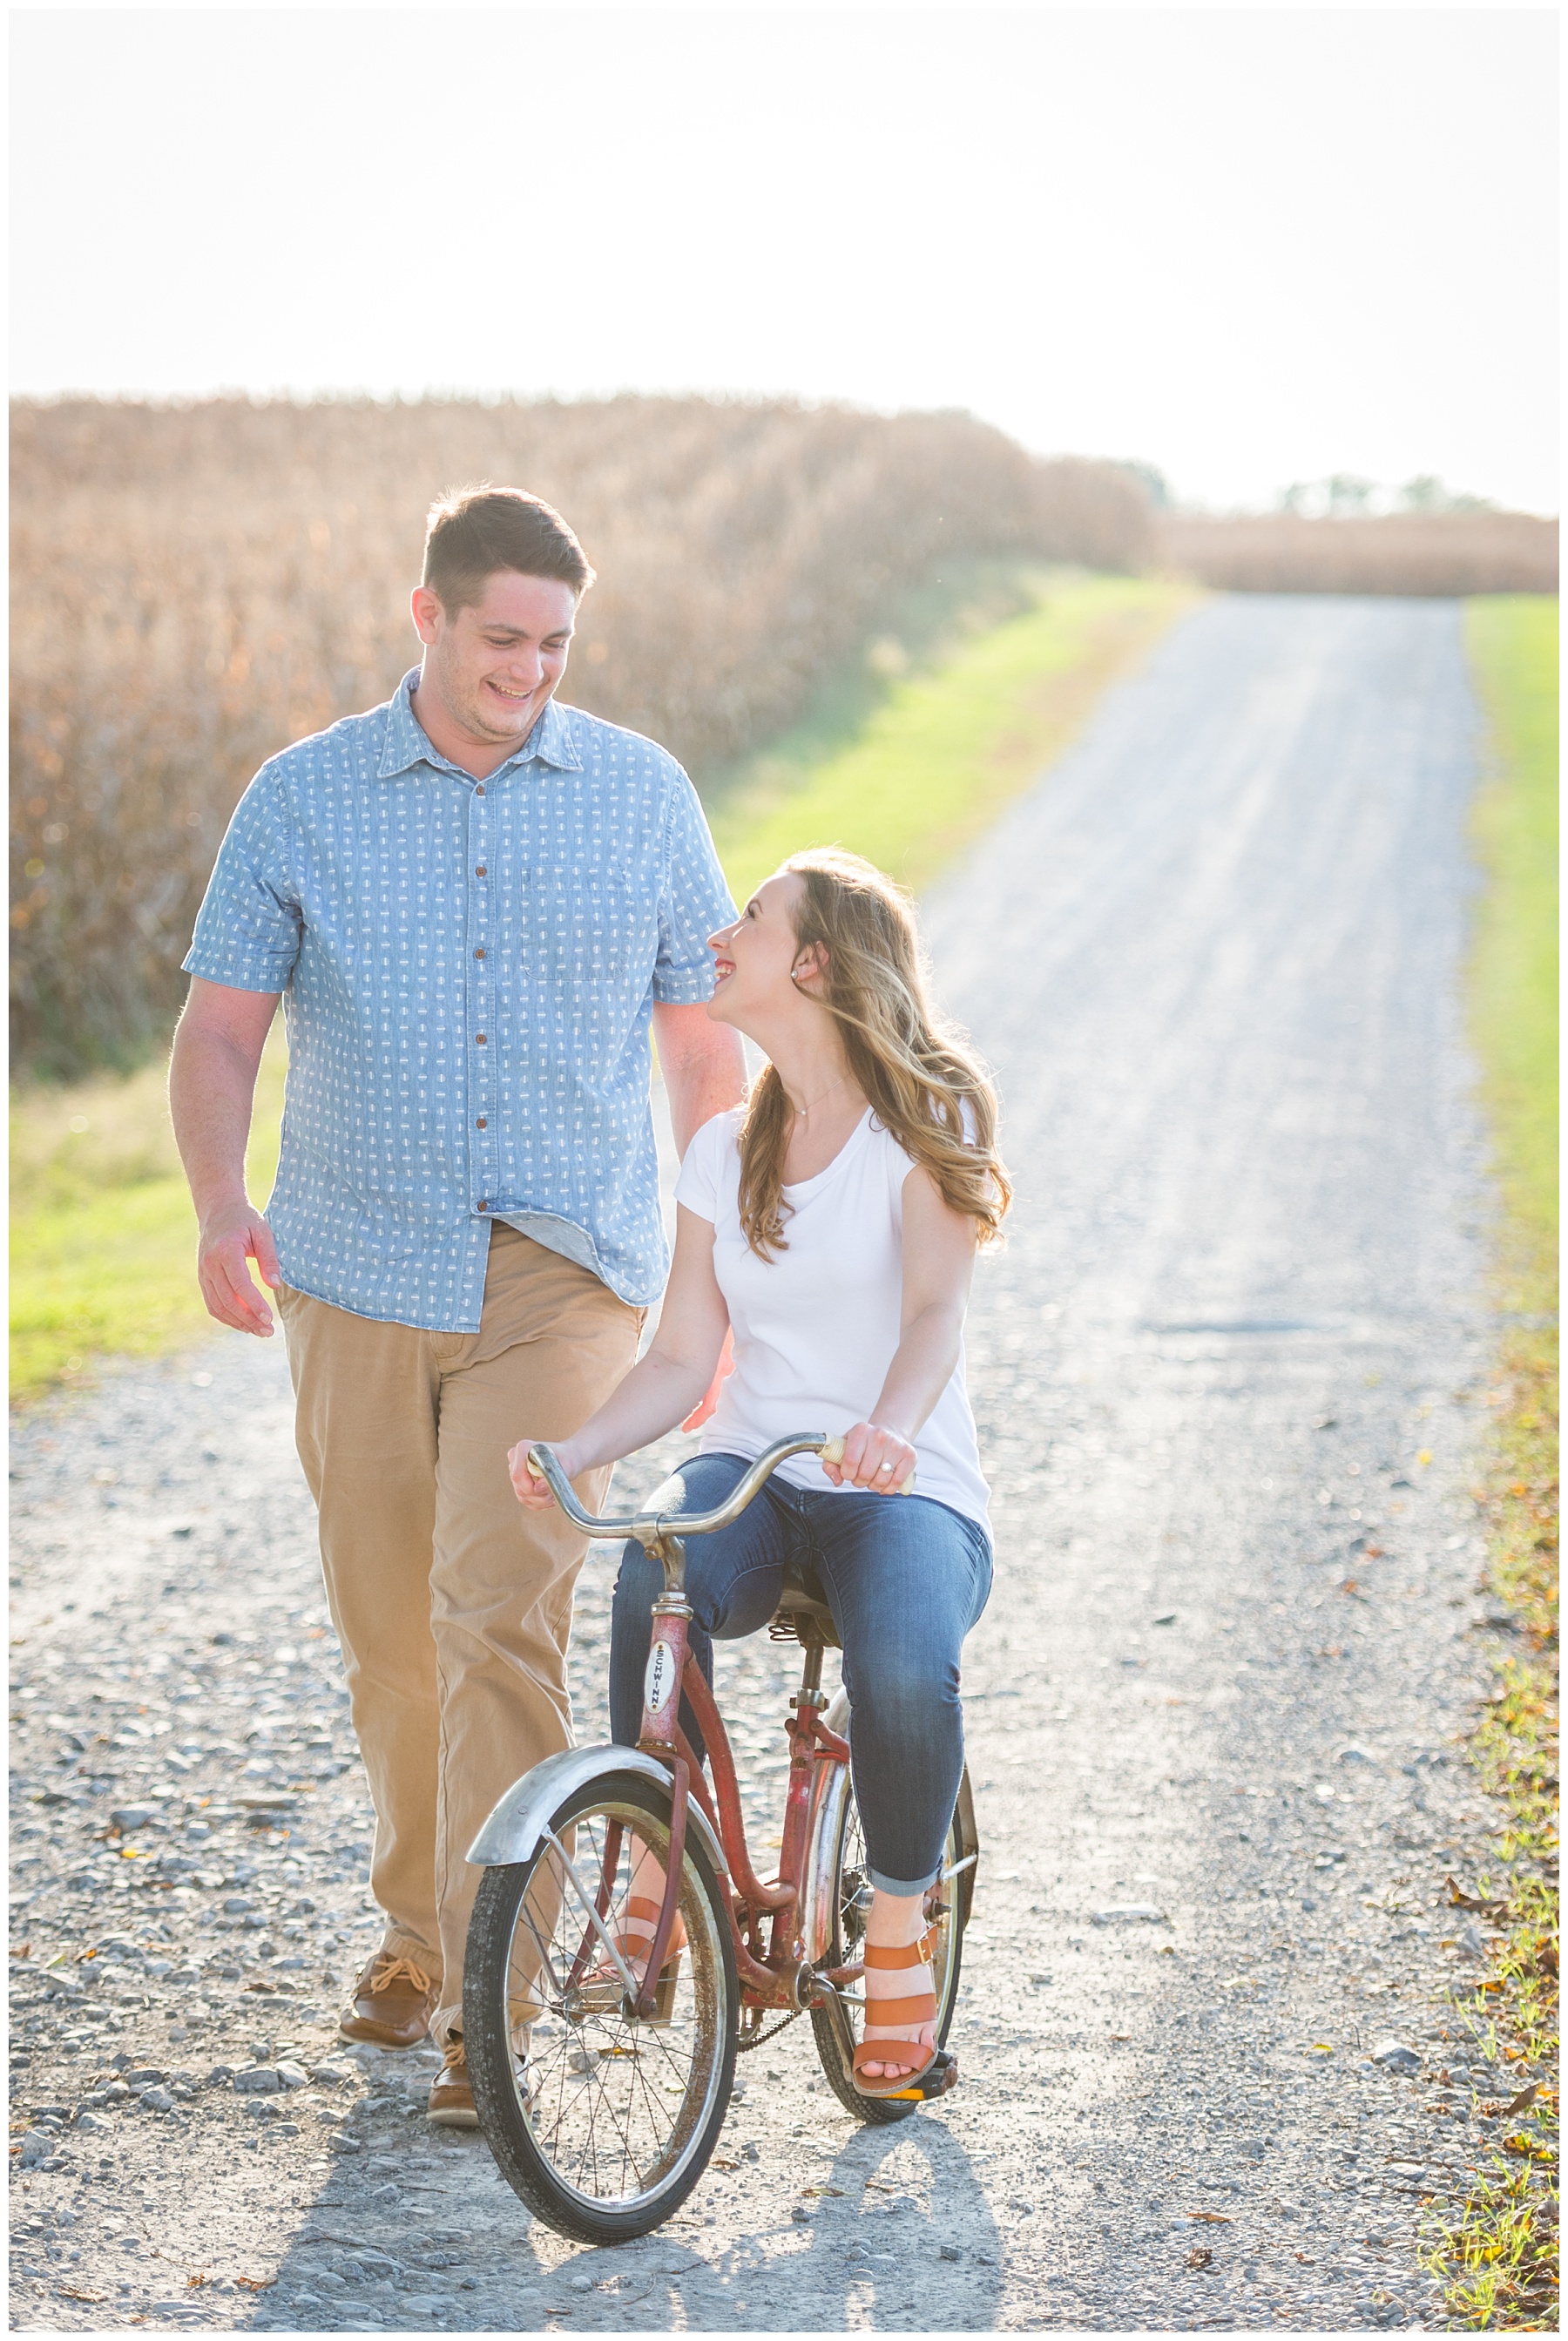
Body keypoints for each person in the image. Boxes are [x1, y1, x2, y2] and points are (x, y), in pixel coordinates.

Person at [170, 486, 743, 2123]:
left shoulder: (641, 794)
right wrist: (225, 1205)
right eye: (503, 639)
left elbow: (704, 1044)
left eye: (556, 645)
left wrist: (719, 1262)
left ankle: (494, 1996)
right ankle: (419, 1940)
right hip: (353, 1270)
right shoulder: (303, 798)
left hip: (566, 1277)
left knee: (499, 1609)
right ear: (424, 617)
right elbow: (220, 1036)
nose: (531, 672)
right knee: (388, 1634)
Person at [510, 848, 1009, 2093]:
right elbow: (685, 1354)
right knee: (651, 1587)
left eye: (752, 916)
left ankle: (897, 1924)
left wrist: (891, 1424)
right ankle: (658, 1873)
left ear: (815, 961)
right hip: (758, 1473)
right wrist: (580, 1450)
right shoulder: (725, 1151)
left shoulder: (921, 1128)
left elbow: (936, 1316)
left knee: (902, 1669)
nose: (724, 933)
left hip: (901, 1491)